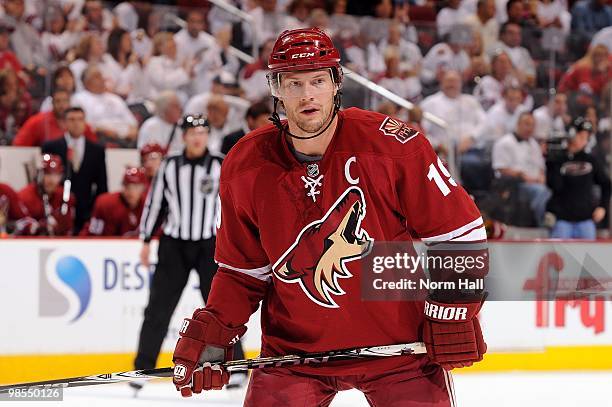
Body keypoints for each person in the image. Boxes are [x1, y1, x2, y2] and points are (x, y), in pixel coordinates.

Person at [170, 28, 487, 405]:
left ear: (336, 83)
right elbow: (243, 272)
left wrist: (450, 311)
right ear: (276, 89)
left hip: (402, 352)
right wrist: (216, 330)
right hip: (295, 357)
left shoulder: (392, 145)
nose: (307, 95)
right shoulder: (246, 164)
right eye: (294, 83)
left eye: (319, 80)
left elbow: (459, 233)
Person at [134, 113, 246, 392]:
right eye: (193, 132)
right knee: (158, 308)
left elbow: (236, 203)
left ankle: (236, 366)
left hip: (210, 245)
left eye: (203, 132)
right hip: (174, 244)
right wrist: (146, 239)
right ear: (183, 136)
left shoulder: (221, 164)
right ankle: (142, 366)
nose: (198, 138)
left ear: (208, 136)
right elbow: (155, 204)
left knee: (222, 310)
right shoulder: (169, 166)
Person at [42, 106, 108, 233]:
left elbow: (102, 184)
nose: (76, 123)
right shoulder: (51, 147)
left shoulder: (97, 150)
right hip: (58, 211)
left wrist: (95, 211)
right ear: (64, 122)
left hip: (86, 211)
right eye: (72, 119)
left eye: (80, 119)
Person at [546, 117, 611, 239]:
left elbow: (606, 184)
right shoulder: (558, 159)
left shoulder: (590, 160)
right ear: (571, 134)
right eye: (580, 135)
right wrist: (552, 162)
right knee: (561, 256)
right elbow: (554, 185)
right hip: (562, 220)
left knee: (587, 256)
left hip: (585, 221)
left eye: (586, 137)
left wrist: (602, 207)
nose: (583, 140)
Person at [492, 111, 551, 226]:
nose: (530, 128)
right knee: (541, 191)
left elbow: (541, 167)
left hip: (536, 182)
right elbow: (500, 168)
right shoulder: (505, 142)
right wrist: (524, 177)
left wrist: (542, 177)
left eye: (532, 125)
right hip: (516, 184)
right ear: (518, 124)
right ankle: (542, 224)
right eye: (527, 124)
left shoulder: (534, 144)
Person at [18, 153, 75, 236]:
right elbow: (19, 226)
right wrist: (36, 227)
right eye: (47, 174)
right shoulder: (25, 196)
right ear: (39, 175)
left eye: (56, 174)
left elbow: (68, 230)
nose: (51, 180)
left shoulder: (66, 197)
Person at [80, 166, 147, 237]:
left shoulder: (148, 205)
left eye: (136, 187)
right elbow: (93, 232)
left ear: (143, 188)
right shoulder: (105, 203)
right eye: (127, 186)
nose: (131, 192)